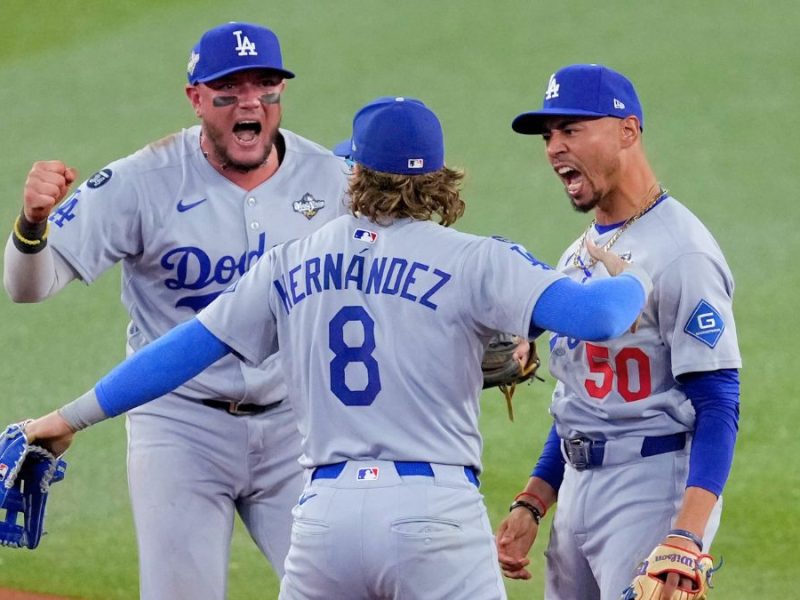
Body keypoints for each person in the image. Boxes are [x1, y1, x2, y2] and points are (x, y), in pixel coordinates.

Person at [19, 96, 651, 600]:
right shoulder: (477, 259)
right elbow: (598, 317)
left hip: (324, 521)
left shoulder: (290, 261)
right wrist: (635, 272)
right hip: (432, 514)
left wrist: (66, 418)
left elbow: (182, 350)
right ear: (438, 176)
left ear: (354, 173)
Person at [3, 22, 350, 600]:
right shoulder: (142, 181)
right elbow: (27, 288)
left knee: (345, 589)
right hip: (180, 428)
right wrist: (32, 225)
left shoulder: (332, 180)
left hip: (299, 427)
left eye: (266, 86)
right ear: (194, 99)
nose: (250, 103)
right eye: (228, 90)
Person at [495, 64, 741, 600]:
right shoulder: (577, 254)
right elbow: (581, 398)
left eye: (571, 129)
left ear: (627, 131)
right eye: (548, 135)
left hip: (652, 489)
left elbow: (719, 401)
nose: (554, 147)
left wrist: (687, 533)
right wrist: (535, 498)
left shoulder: (683, 252)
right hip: (578, 493)